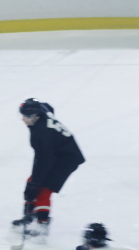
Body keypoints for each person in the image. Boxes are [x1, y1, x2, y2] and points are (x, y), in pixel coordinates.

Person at [12, 98, 85, 237]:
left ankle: (42, 226)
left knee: (44, 189)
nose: (23, 120)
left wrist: (35, 182)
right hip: (60, 154)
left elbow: (44, 160)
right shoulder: (42, 114)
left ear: (34, 116)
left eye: (26, 116)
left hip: (66, 159)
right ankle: (29, 215)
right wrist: (33, 182)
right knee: (32, 181)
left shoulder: (41, 132)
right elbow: (47, 106)